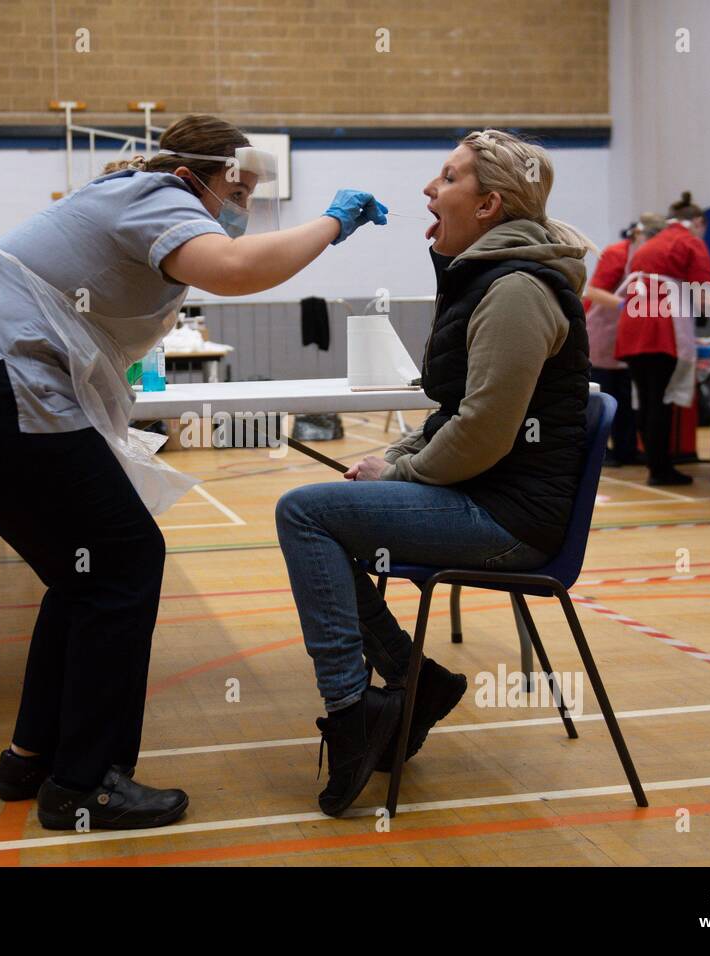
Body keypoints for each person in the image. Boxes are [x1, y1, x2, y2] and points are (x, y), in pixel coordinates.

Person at [0, 114, 387, 831]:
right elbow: (237, 271)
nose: (239, 207)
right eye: (235, 189)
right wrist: (331, 223)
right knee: (125, 560)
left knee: (86, 571)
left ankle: (36, 756)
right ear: (192, 174)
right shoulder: (158, 197)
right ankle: (85, 783)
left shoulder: (132, 202)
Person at [275, 129, 595, 816]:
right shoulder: (494, 279)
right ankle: (412, 683)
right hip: (485, 500)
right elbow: (455, 413)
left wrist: (398, 477)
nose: (428, 190)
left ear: (489, 206)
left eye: (447, 178)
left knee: (305, 513)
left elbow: (482, 432)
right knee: (322, 516)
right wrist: (393, 461)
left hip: (510, 521)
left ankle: (360, 709)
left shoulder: (517, 290)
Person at [614, 191, 710, 486]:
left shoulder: (648, 245)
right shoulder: (691, 243)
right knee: (661, 401)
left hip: (632, 326)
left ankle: (656, 465)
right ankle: (660, 470)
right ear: (697, 221)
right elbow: (703, 296)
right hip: (660, 329)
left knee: (645, 400)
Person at [584, 212, 665, 466]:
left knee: (626, 398)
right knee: (605, 395)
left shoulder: (649, 258)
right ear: (639, 234)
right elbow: (593, 291)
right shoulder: (617, 253)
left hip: (627, 335)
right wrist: (625, 307)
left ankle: (626, 449)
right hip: (603, 332)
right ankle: (601, 451)